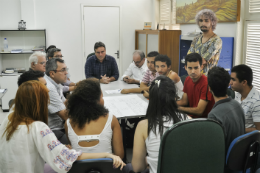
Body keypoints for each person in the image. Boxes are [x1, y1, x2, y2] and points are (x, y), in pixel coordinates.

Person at [0, 81, 125, 173]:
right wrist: (107, 155)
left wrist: (57, 147)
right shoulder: (38, 128)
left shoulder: (8, 118)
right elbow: (68, 157)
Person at [123, 76, 187, 173]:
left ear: (150, 98)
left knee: (128, 167)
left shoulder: (144, 125)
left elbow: (137, 168)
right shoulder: (188, 119)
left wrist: (149, 160)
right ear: (175, 97)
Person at [65, 79, 124, 159]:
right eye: (102, 97)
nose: (103, 100)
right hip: (107, 168)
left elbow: (74, 149)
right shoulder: (111, 119)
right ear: (96, 101)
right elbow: (119, 155)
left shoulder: (68, 123)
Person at [207, 66, 245, 154]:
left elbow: (213, 149)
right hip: (240, 160)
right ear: (228, 84)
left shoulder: (214, 115)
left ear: (209, 88)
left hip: (224, 164)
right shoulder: (237, 104)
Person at [177, 53, 215, 118]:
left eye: (196, 68)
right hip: (190, 117)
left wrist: (177, 109)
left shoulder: (206, 83)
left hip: (204, 120)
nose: (193, 71)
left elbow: (199, 111)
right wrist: (169, 104)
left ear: (201, 67)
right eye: (190, 68)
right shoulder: (187, 79)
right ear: (185, 68)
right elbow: (184, 101)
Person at [187, 9, 222, 75]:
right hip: (194, 76)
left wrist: (192, 61)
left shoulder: (216, 40)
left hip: (208, 79)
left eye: (206, 21)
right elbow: (188, 57)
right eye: (201, 20)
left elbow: (203, 61)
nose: (203, 23)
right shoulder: (196, 39)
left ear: (212, 22)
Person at [44, 58, 69, 144]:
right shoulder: (49, 87)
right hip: (54, 131)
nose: (67, 73)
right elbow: (65, 115)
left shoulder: (56, 83)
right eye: (63, 70)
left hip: (60, 125)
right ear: (52, 73)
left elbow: (64, 103)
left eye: (66, 69)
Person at [230, 64, 260, 133]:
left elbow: (259, 130)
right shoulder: (238, 94)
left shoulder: (257, 101)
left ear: (244, 82)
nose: (230, 83)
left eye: (233, 80)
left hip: (246, 140)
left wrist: (237, 130)